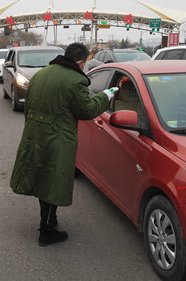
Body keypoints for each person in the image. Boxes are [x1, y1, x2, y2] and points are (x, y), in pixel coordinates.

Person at [10, 43, 118, 246]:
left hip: (35, 134)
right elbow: (86, 110)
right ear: (80, 62)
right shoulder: (76, 80)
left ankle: (50, 220)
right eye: (85, 63)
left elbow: (29, 105)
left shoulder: (41, 74)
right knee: (53, 182)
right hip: (57, 138)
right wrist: (106, 95)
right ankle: (46, 231)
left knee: (43, 179)